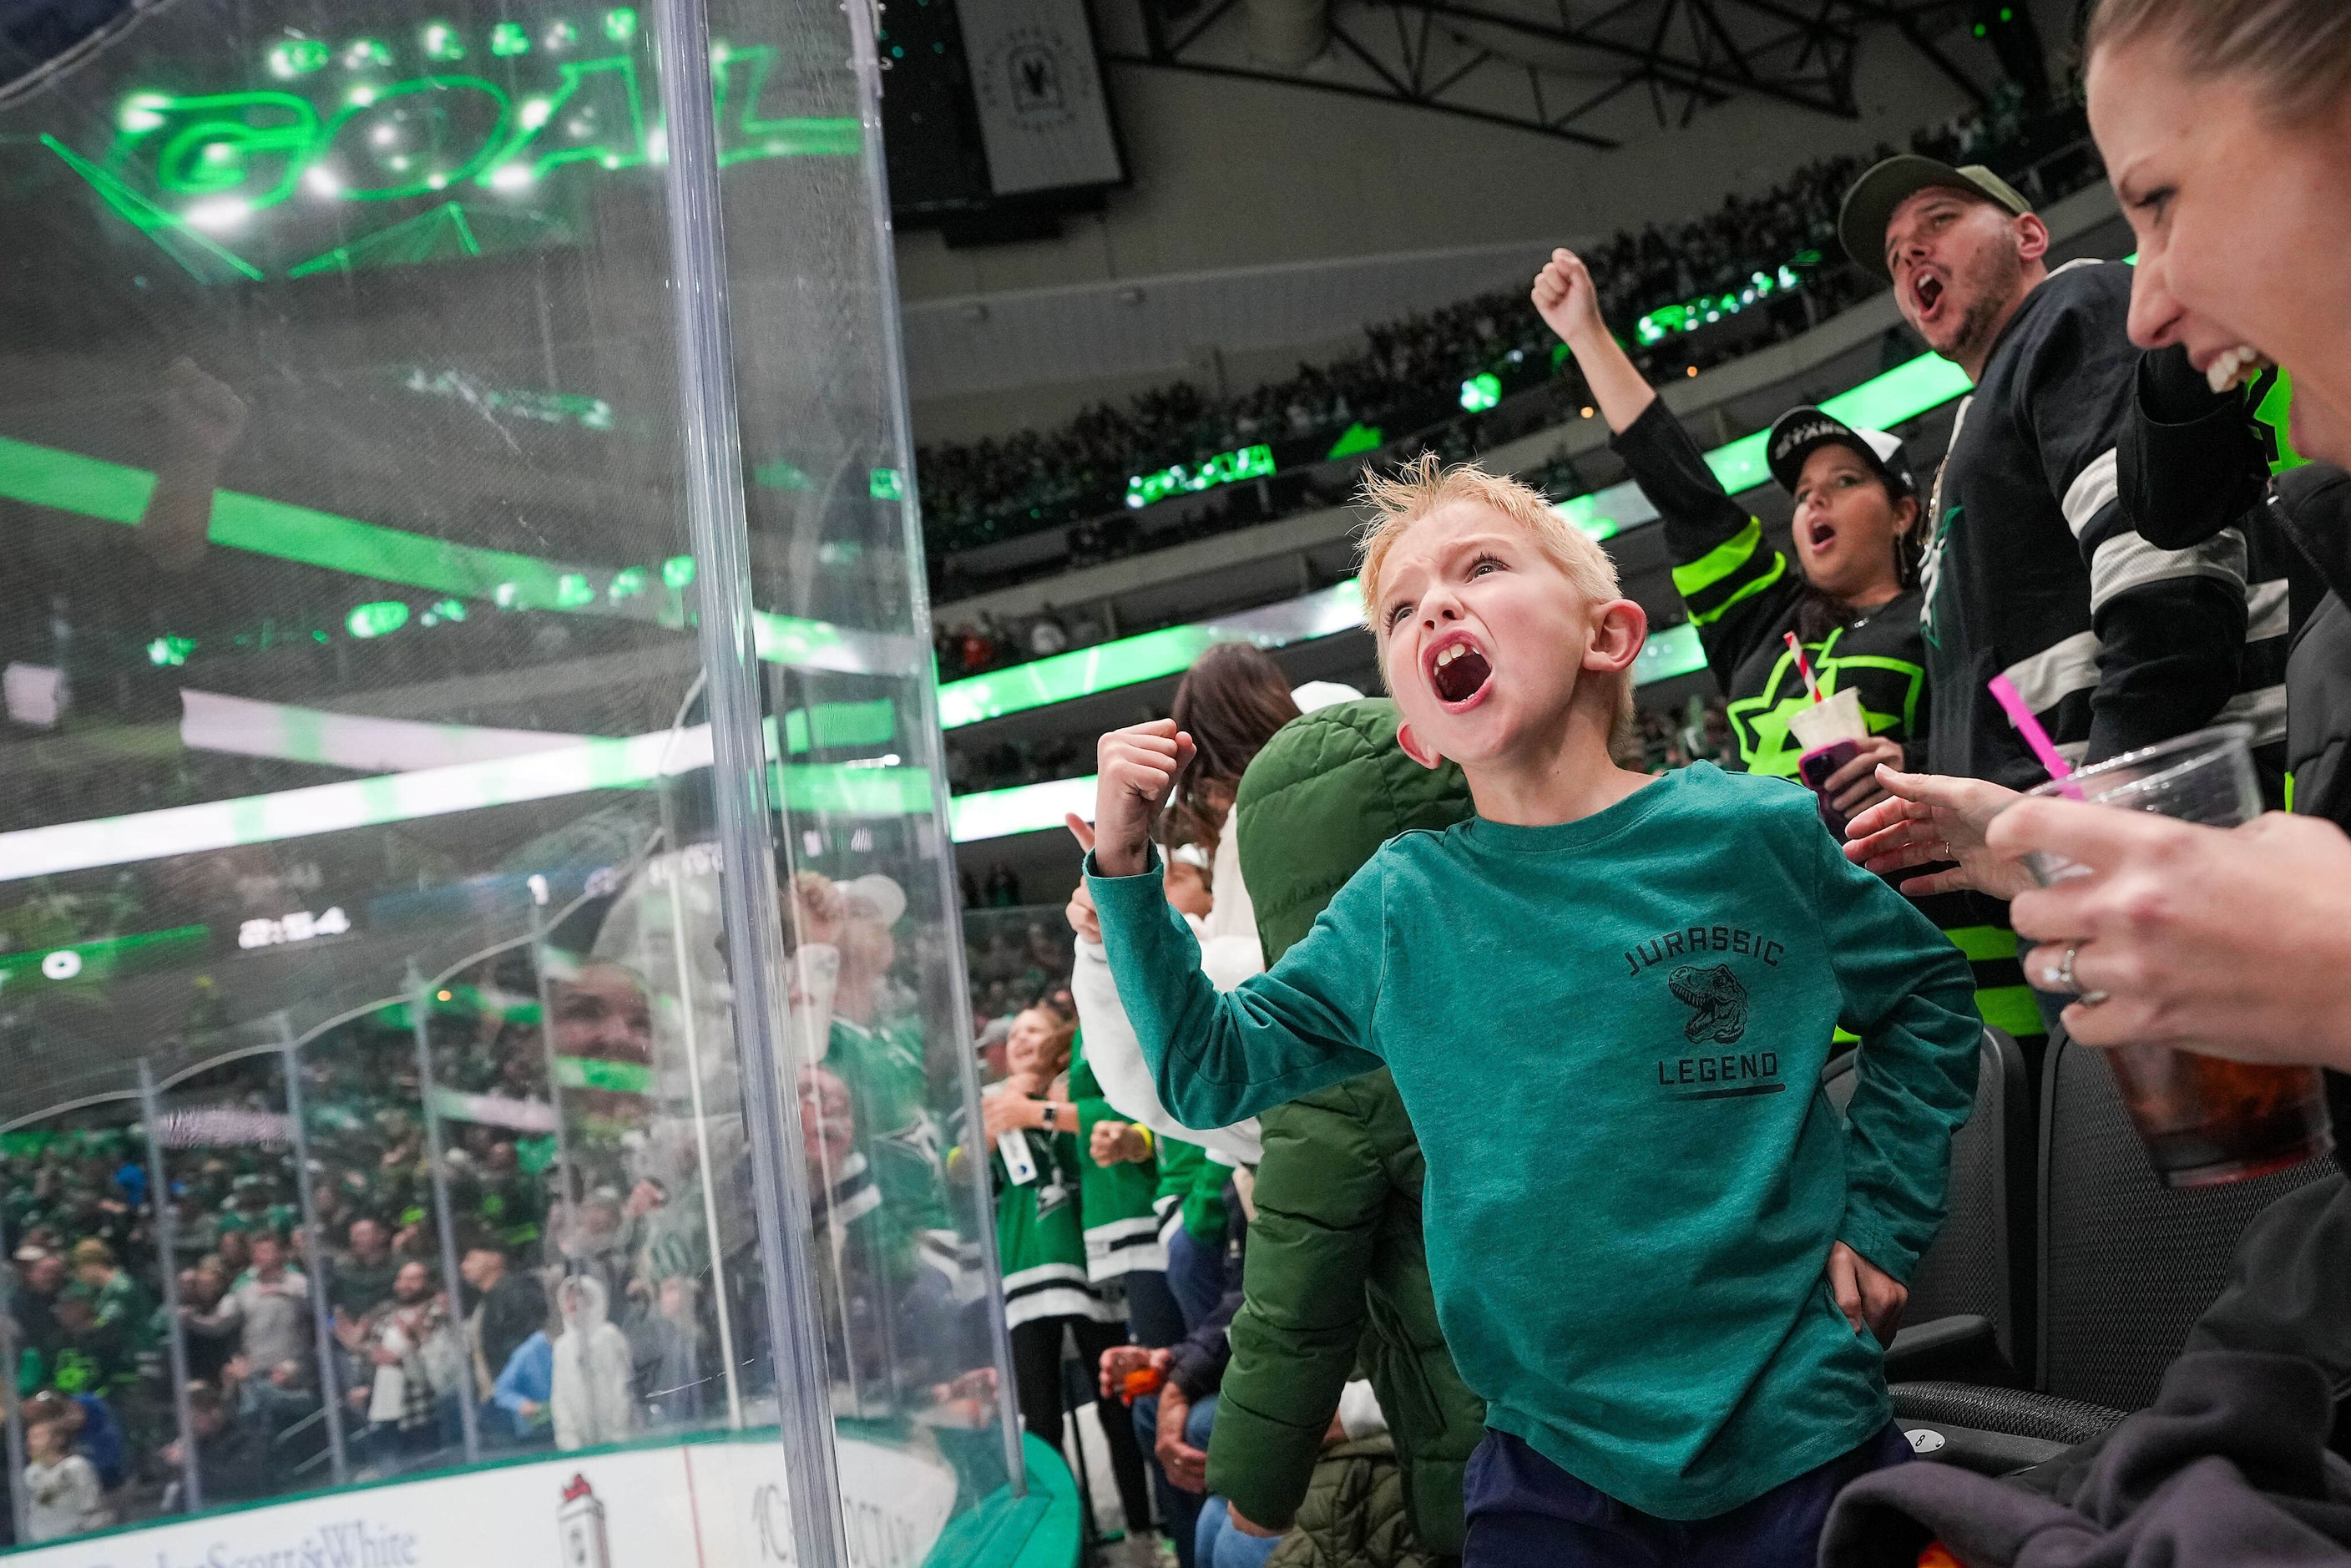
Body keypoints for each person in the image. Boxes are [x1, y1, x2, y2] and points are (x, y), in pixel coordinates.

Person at [1084, 455, 1981, 1567]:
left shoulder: (1757, 836)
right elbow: (1208, 1071)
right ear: (1415, 728)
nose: (1436, 607)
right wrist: (1125, 874)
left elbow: (1931, 1000)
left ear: (1609, 634)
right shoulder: (1400, 907)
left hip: (1805, 1433)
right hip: (1551, 1473)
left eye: (1481, 568)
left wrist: (1882, 1220)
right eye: (1402, 608)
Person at [1533, 245, 2045, 1051]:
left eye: (1844, 481)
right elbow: (1686, 493)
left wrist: (1907, 754)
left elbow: (2027, 756)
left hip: (1971, 985)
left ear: (1905, 512)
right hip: (1807, 1001)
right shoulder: (1759, 619)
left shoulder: (1950, 605)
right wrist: (1587, 333)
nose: (1816, 501)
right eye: (1803, 493)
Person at [1833, 148, 2263, 791]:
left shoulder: (2072, 307)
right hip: (2050, 827)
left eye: (1939, 222)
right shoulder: (1980, 412)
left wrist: (2115, 794)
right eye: (1897, 258)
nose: (1912, 255)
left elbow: (2162, 573)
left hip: (2132, 816)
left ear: (2028, 234)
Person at [1206, 696, 1490, 1563]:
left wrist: (1251, 1492)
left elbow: (1293, 1313)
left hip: (1486, 1455)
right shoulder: (1533, 976)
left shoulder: (1328, 1076)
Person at [979, 1005, 1155, 1538]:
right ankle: (1067, 1542)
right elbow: (960, 1170)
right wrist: (990, 1132)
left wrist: (1045, 1109)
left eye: (1033, 1029)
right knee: (1041, 1419)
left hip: (1089, 1271)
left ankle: (1142, 1532)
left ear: (1055, 1042)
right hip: (1025, 1274)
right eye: (1013, 1033)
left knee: (1115, 1406)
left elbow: (1121, 1129)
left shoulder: (1070, 1096)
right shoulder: (985, 1104)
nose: (1021, 1039)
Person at [459, 1242, 547, 1411]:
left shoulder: (516, 1291)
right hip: (501, 1397)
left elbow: (529, 1342)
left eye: (471, 1259)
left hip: (522, 1399)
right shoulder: (485, 1303)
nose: (464, 1266)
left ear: (495, 1259)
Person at [22, 1391, 108, 1542]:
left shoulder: (76, 1467)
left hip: (76, 1543)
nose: (31, 1442)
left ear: (57, 1439)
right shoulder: (31, 1474)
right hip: (39, 1550)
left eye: (38, 1437)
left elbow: (92, 1510)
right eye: (30, 1438)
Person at [229, 1232, 311, 1380]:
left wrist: (285, 1294)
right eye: (256, 1252)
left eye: (267, 1251)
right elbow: (223, 1321)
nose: (261, 1256)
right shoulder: (245, 1289)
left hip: (291, 1367)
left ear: (280, 1253)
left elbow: (317, 1313)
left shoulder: (299, 1283)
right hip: (255, 1368)